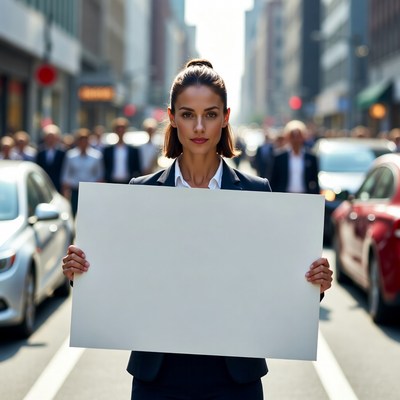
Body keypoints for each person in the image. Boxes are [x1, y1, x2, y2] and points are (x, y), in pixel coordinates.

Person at [62, 59, 333, 400]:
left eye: (211, 114)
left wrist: (313, 283)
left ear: (226, 117)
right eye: (188, 114)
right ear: (173, 118)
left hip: (234, 376)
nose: (200, 126)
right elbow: (121, 275)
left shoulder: (255, 192)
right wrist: (81, 271)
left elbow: (273, 279)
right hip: (159, 375)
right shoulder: (142, 192)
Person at [61, 128, 104, 216]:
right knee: (74, 213)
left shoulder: (96, 155)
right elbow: (66, 174)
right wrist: (65, 190)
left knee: (89, 214)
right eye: (81, 141)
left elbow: (99, 175)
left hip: (90, 190)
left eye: (85, 140)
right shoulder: (71, 155)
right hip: (75, 189)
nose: (83, 143)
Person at [270, 120, 320, 194]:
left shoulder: (311, 157)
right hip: (284, 196)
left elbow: (315, 180)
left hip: (304, 196)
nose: (296, 140)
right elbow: (273, 180)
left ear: (303, 137)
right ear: (288, 137)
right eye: (292, 136)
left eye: (298, 136)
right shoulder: (279, 157)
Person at [103, 117, 142, 183]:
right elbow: (104, 167)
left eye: (122, 128)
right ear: (114, 130)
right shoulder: (108, 150)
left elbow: (137, 168)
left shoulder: (133, 150)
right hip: (111, 182)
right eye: (118, 129)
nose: (120, 131)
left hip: (128, 182)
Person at [35, 124, 66, 192]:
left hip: (58, 184)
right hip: (43, 183)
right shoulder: (40, 151)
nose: (50, 139)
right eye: (48, 137)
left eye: (52, 137)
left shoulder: (62, 152)